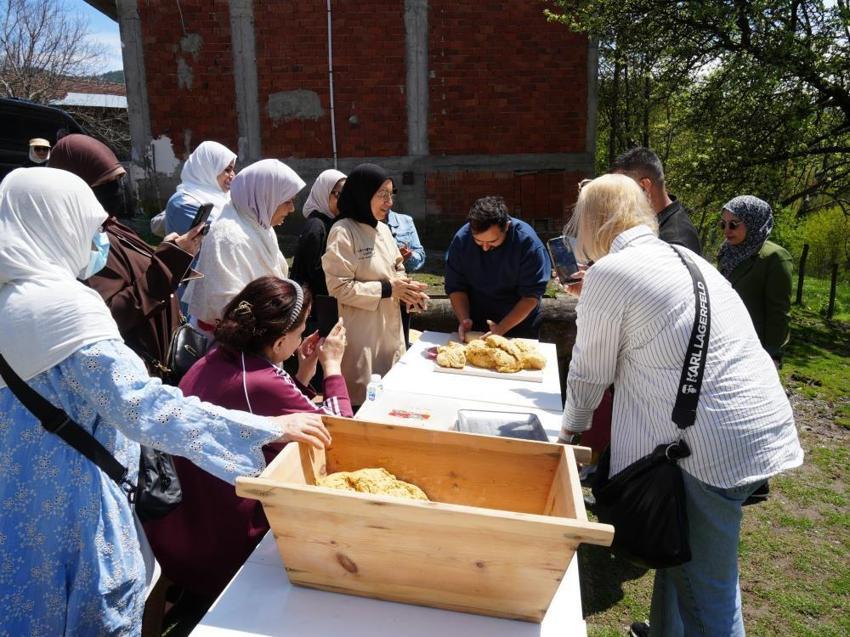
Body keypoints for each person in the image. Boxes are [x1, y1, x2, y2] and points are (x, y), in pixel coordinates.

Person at [0, 167, 331, 636]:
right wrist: (268, 427)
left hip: (18, 505)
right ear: (57, 222)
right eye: (93, 227)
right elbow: (142, 408)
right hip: (78, 509)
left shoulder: (7, 300)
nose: (99, 241)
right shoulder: (64, 306)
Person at [557, 174, 803, 636]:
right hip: (747, 427)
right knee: (679, 548)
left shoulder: (611, 271)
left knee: (708, 589)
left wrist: (569, 434)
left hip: (707, 444)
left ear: (592, 223)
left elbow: (590, 372)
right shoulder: (682, 254)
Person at [144, 275, 351, 601]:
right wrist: (334, 366)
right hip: (223, 545)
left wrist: (303, 373)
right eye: (299, 332)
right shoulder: (261, 379)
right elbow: (339, 436)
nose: (302, 339)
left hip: (176, 530)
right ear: (280, 341)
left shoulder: (217, 356)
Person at [49, 134, 204, 377]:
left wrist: (170, 251)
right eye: (106, 183)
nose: (118, 190)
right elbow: (113, 313)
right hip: (139, 369)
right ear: (78, 188)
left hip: (164, 355)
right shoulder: (82, 243)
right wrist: (169, 262)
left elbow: (137, 269)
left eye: (120, 179)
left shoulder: (109, 224)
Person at [322, 163, 428, 405]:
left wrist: (410, 293)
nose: (389, 202)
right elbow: (339, 287)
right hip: (362, 336)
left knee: (392, 399)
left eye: (391, 194)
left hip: (391, 333)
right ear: (362, 193)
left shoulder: (383, 229)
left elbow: (396, 269)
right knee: (364, 402)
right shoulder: (343, 231)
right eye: (382, 194)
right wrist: (389, 289)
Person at [185, 158, 306, 334]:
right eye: (287, 201)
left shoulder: (261, 227)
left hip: (261, 337)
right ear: (266, 197)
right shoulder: (227, 237)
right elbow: (227, 305)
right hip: (230, 344)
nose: (292, 209)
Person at [444, 195, 550, 341]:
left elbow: (531, 296)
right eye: (479, 242)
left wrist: (501, 329)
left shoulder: (528, 243)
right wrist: (464, 319)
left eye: (492, 241)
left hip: (519, 323)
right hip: (476, 321)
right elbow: (456, 286)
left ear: (506, 226)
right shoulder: (462, 240)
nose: (485, 248)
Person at [718, 195, 793, 364]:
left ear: (753, 222)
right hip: (723, 340)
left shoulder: (774, 257)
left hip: (753, 348)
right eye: (723, 224)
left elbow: (778, 312)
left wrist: (773, 354)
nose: (726, 230)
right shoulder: (726, 251)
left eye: (733, 224)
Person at [612, 146, 702, 254]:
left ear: (644, 186)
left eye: (621, 190)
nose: (617, 199)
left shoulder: (675, 240)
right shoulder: (656, 223)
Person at [290, 168, 347, 296]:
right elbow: (315, 273)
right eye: (340, 195)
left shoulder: (330, 222)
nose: (345, 201)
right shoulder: (316, 226)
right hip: (313, 305)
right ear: (324, 193)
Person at [163, 140, 237, 235]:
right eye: (227, 169)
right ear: (207, 168)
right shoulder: (183, 202)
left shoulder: (224, 196)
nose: (233, 175)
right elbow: (225, 233)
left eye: (232, 170)